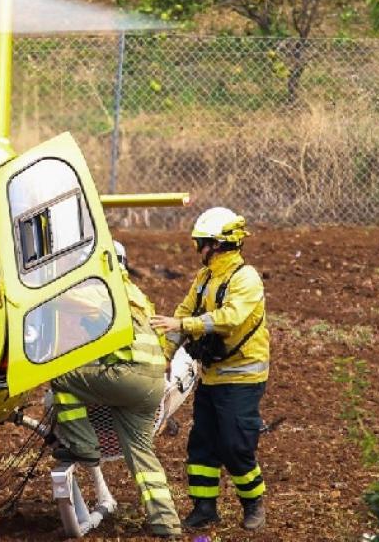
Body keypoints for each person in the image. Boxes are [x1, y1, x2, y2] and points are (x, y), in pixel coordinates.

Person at [50, 241, 183, 539]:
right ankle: (167, 524)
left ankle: (84, 448)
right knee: (142, 456)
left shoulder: (105, 288)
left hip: (129, 376)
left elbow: (59, 300)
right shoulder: (137, 295)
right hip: (153, 383)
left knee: (61, 377)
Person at [149, 207, 270, 532]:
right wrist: (165, 352)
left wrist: (183, 323)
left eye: (199, 243)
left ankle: (254, 504)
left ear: (215, 245)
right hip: (212, 376)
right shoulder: (205, 279)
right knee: (202, 443)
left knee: (235, 444)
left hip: (243, 377)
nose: (197, 250)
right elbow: (183, 312)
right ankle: (204, 508)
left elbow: (229, 317)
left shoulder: (246, 278)